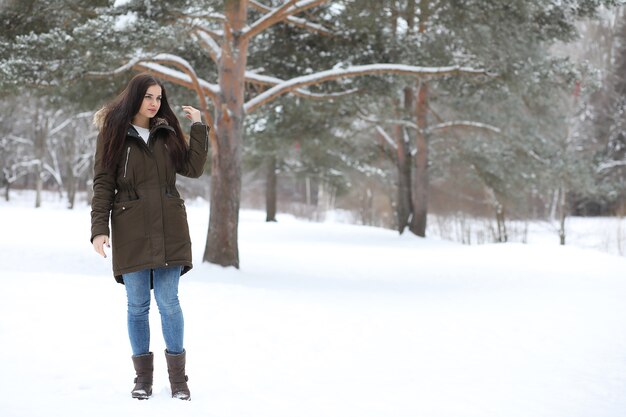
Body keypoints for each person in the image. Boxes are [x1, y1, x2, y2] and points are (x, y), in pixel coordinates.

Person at [90, 73, 208, 401]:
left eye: (159, 98)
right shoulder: (114, 132)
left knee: (169, 302)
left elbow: (193, 168)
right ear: (135, 98)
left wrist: (198, 126)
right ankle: (143, 379)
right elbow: (103, 182)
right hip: (131, 227)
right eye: (148, 97)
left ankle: (179, 380)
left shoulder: (167, 131)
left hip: (170, 226)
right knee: (137, 305)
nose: (155, 103)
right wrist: (99, 229)